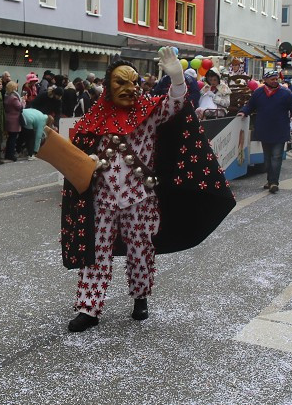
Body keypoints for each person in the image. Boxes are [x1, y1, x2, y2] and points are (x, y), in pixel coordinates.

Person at [58, 51, 234, 332]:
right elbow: (79, 151)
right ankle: (88, 308)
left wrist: (177, 78)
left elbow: (176, 103)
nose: (129, 89)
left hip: (140, 198)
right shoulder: (95, 116)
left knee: (140, 251)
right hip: (102, 199)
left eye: (133, 82)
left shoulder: (149, 111)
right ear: (107, 85)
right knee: (97, 253)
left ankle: (140, 296)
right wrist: (87, 160)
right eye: (120, 83)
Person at [237, 70, 292, 193]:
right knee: (267, 159)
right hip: (264, 129)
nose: (275, 81)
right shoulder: (258, 93)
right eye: (272, 79)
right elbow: (250, 105)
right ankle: (269, 180)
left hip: (280, 129)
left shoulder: (285, 93)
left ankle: (274, 182)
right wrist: (243, 111)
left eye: (276, 78)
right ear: (265, 80)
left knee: (276, 156)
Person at [3, 80, 23, 162]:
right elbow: (20, 107)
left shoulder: (6, 96)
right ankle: (10, 154)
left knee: (10, 137)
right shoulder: (14, 98)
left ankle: (8, 153)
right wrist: (23, 102)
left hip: (8, 117)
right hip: (14, 119)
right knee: (13, 137)